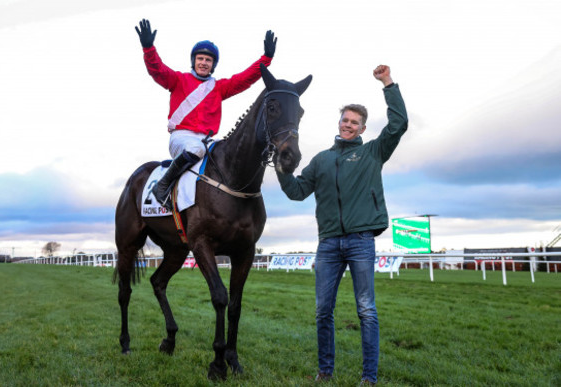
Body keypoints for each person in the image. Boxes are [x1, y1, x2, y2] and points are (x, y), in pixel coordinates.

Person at [275, 65, 408, 385]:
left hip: (361, 240)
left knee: (366, 311)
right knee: (323, 312)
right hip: (329, 244)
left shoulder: (373, 152)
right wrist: (281, 167)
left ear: (362, 128)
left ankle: (369, 377)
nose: (348, 125)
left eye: (354, 122)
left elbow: (399, 123)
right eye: (345, 120)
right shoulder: (321, 160)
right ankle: (325, 371)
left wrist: (388, 83)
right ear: (339, 123)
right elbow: (296, 192)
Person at [135, 19, 277, 210]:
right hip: (182, 138)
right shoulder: (177, 80)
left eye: (208, 60)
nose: (203, 63)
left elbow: (244, 79)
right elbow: (157, 70)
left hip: (207, 141)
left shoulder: (219, 87)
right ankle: (162, 187)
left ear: (213, 65)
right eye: (200, 58)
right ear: (193, 60)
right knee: (196, 150)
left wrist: (266, 58)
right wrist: (148, 48)